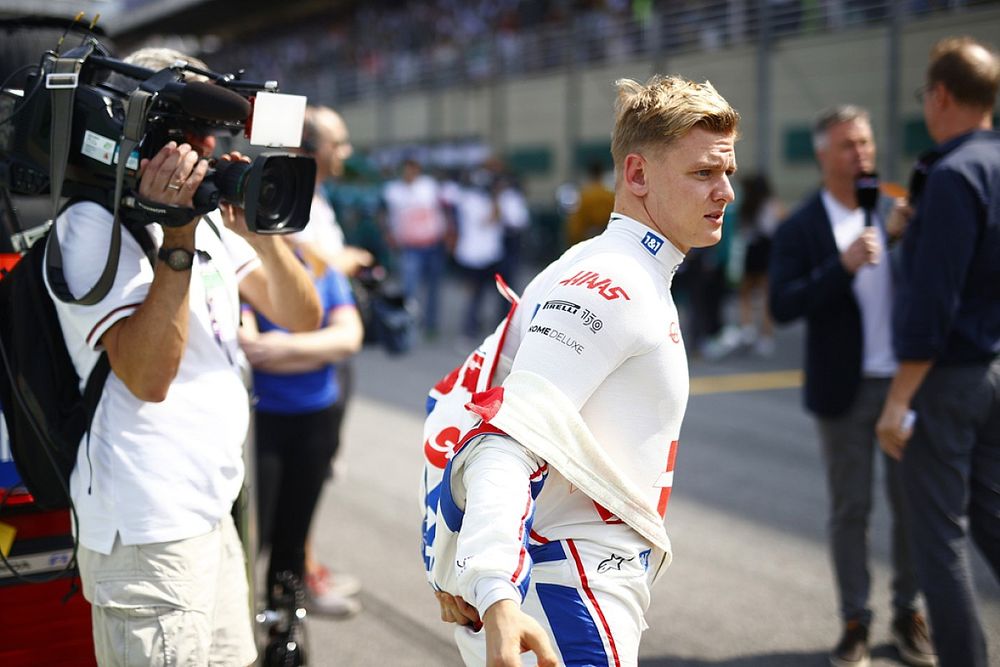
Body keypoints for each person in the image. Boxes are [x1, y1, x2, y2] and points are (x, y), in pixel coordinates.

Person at [427, 74, 739, 666]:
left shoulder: (609, 264)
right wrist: (495, 591)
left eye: (727, 173)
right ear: (639, 175)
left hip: (574, 584)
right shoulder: (614, 281)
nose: (724, 192)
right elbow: (506, 437)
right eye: (703, 173)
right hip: (569, 598)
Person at [44, 48, 322, 665]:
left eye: (208, 132)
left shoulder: (211, 223)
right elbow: (147, 378)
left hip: (211, 512)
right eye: (187, 135)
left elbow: (303, 316)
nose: (203, 148)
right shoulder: (91, 226)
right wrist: (175, 235)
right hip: (147, 526)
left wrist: (259, 229)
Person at [769, 105, 934, 667]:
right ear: (823, 155)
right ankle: (854, 620)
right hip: (843, 388)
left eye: (865, 143)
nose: (861, 154)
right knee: (850, 510)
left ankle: (909, 609)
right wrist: (840, 266)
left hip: (903, 385)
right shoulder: (802, 225)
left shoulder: (898, 211)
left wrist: (907, 241)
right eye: (847, 146)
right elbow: (782, 304)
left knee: (912, 505)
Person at [876, 36, 1000, 667]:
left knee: (939, 540)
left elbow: (934, 303)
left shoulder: (953, 174)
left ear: (943, 95)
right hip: (991, 368)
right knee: (993, 517)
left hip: (946, 377)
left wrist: (899, 399)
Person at [264, 103, 369, 616]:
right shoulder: (287, 197)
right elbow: (315, 265)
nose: (345, 152)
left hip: (317, 378)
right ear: (310, 148)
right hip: (276, 396)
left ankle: (300, 575)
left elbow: (346, 331)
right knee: (276, 506)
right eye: (337, 142)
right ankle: (296, 577)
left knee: (307, 484)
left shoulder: (318, 197)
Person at [240, 239, 364, 618]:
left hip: (316, 419)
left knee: (295, 535)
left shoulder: (321, 267)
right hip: (262, 423)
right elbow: (249, 346)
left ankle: (285, 618)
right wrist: (316, 349)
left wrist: (283, 347)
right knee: (252, 538)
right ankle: (241, 624)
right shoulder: (246, 263)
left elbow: (349, 337)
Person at [382, 158, 449, 338]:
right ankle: (408, 326)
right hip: (410, 247)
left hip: (432, 244)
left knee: (433, 289)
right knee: (409, 289)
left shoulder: (429, 186)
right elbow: (385, 216)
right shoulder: (393, 191)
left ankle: (431, 325)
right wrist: (390, 236)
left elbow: (443, 210)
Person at [735, 172, 782, 355]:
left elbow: (744, 231)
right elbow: (774, 228)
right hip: (767, 252)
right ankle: (766, 336)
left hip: (752, 251)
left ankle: (748, 328)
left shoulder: (748, 204)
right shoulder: (771, 203)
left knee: (745, 292)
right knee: (766, 296)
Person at [565, 160, 615, 247]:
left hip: (588, 240)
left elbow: (576, 226)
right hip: (608, 239)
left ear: (589, 174)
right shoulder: (610, 195)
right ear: (602, 173)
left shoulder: (584, 196)